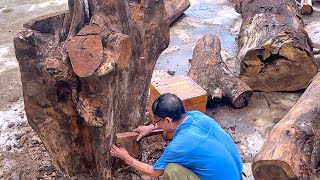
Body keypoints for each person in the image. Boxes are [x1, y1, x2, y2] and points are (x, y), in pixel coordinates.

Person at [110, 93, 243, 180]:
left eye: (157, 121)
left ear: (168, 120)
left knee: (171, 170)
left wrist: (126, 158)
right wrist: (151, 127)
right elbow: (173, 122)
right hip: (235, 174)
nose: (157, 124)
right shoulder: (197, 115)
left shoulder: (180, 145)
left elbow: (154, 172)